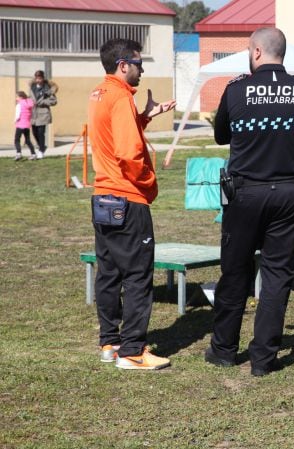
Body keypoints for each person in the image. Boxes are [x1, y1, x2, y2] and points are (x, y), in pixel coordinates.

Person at [205, 28, 294, 377]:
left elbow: (221, 135)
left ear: (256, 52)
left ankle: (224, 350)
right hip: (289, 192)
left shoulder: (237, 89)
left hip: (246, 192)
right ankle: (264, 359)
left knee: (235, 271)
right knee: (277, 275)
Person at [88, 38, 176, 369]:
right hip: (127, 199)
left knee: (109, 272)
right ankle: (133, 351)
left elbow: (113, 135)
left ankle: (110, 342)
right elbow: (128, 152)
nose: (141, 70)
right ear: (123, 65)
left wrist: (146, 117)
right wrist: (149, 184)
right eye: (139, 64)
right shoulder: (121, 96)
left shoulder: (99, 93)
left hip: (102, 196)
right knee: (138, 274)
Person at [29, 70, 58, 159]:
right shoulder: (32, 87)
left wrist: (43, 102)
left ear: (43, 78)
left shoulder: (48, 88)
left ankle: (41, 151)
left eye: (40, 78)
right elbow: (30, 97)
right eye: (37, 78)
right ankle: (42, 146)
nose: (38, 80)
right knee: (34, 132)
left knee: (41, 133)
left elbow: (54, 101)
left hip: (43, 113)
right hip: (33, 113)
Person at [14, 91, 37, 161]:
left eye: (17, 97)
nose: (16, 98)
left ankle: (19, 154)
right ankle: (33, 154)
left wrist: (15, 120)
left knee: (17, 140)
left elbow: (18, 115)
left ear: (21, 97)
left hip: (20, 125)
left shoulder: (19, 105)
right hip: (27, 125)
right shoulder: (28, 103)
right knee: (27, 141)